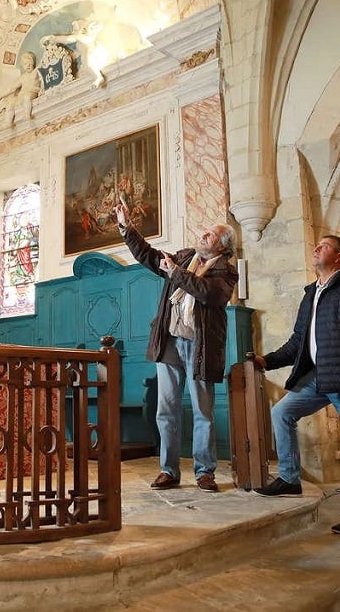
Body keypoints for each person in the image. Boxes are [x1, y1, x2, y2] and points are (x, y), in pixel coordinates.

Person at [252, 235, 340, 536]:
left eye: (324, 246)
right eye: (317, 245)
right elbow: (298, 341)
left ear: (339, 257)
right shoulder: (312, 292)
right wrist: (267, 361)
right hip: (319, 377)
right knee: (281, 413)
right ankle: (289, 478)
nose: (316, 248)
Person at [114, 199, 238, 493]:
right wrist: (126, 226)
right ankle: (168, 470)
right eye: (205, 230)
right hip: (169, 342)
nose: (203, 234)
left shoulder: (226, 272)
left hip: (201, 347)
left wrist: (175, 273)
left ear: (222, 247)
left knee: (203, 412)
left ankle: (204, 472)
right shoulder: (183, 257)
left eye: (211, 234)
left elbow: (209, 294)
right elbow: (148, 255)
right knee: (166, 410)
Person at [0, 51, 42, 125]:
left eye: (30, 63)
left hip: (32, 91)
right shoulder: (23, 77)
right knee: (10, 104)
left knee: (27, 97)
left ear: (33, 63)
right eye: (25, 64)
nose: (28, 66)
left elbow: (42, 73)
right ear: (22, 66)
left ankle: (27, 115)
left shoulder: (36, 72)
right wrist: (1, 96)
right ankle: (8, 122)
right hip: (22, 95)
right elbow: (12, 88)